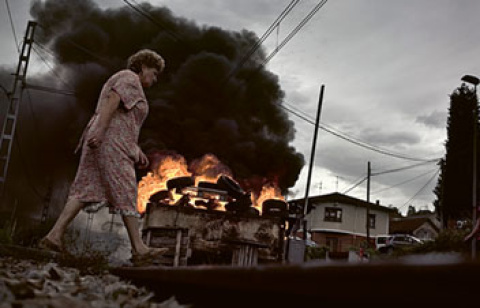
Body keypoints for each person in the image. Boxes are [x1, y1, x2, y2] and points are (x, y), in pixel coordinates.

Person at [39, 49, 167, 265]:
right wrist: (100, 131)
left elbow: (124, 119)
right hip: (109, 142)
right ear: (144, 66)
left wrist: (134, 147)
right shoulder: (129, 77)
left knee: (85, 189)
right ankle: (139, 248)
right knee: (127, 188)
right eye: (154, 73)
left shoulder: (126, 80)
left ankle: (53, 236)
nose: (154, 79)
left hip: (107, 140)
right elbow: (112, 102)